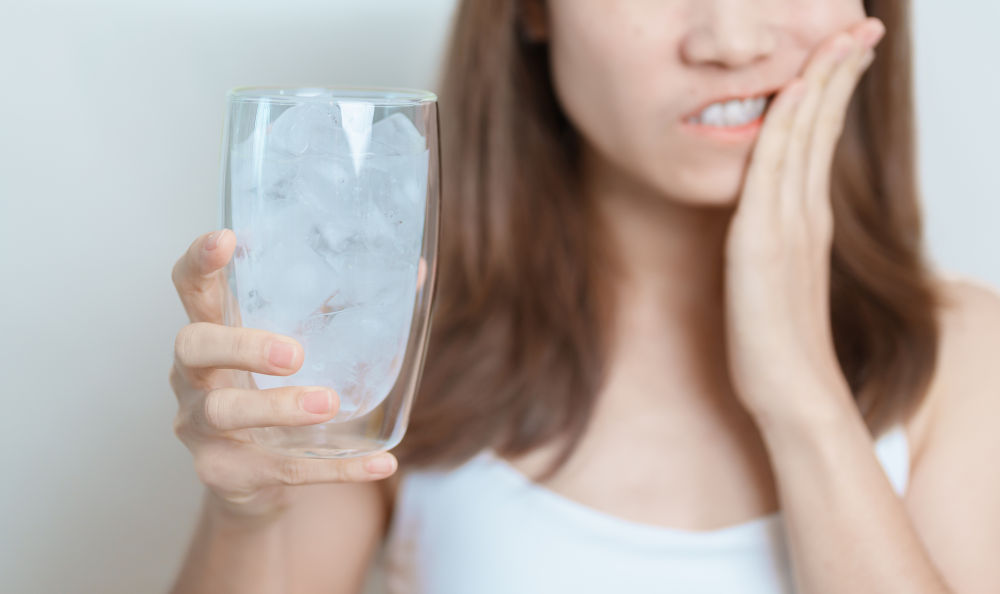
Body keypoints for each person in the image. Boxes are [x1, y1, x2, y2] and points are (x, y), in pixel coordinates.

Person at [168, 1, 1000, 592]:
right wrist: (250, 512)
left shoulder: (966, 357)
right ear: (533, 11)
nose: (733, 38)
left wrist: (802, 396)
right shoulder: (389, 343)